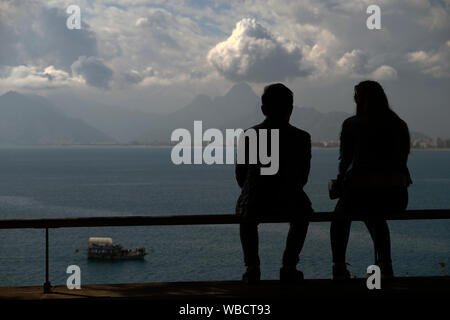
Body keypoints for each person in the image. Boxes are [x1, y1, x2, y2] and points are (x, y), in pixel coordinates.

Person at [330, 80, 412, 280]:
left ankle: (339, 266)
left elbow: (345, 162)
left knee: (340, 216)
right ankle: (385, 264)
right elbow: (402, 161)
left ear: (359, 100)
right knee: (376, 215)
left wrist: (340, 184)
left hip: (361, 194)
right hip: (396, 196)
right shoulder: (398, 124)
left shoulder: (352, 124)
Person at [235, 83, 313, 284]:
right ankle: (289, 266)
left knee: (246, 215)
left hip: (255, 199)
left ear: (263, 109)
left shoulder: (249, 136)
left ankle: (252, 268)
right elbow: (303, 177)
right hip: (290, 200)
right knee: (303, 214)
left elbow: (241, 176)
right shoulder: (302, 138)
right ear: (291, 108)